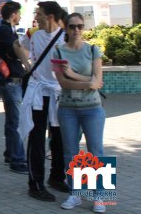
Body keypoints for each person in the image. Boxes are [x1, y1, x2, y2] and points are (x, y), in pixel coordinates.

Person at [53, 13, 106, 213]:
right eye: (72, 26)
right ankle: (75, 193)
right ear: (66, 28)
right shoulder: (58, 52)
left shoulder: (93, 50)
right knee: (70, 153)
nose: (76, 30)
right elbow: (63, 83)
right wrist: (88, 82)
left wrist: (74, 74)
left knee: (96, 152)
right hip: (67, 109)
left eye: (80, 26)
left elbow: (98, 80)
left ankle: (100, 196)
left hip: (92, 109)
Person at [18, 1, 67, 202]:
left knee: (60, 138)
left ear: (50, 16)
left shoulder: (66, 37)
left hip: (59, 93)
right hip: (38, 93)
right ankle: (35, 184)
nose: (35, 16)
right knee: (36, 139)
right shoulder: (32, 34)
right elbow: (17, 45)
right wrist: (27, 65)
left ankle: (56, 177)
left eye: (38, 13)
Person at [0, 1, 31, 174]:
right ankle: (17, 160)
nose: (21, 16)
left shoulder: (5, 30)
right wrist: (28, 66)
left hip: (10, 81)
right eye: (19, 13)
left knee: (12, 120)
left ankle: (10, 153)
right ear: (13, 14)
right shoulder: (4, 31)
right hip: (11, 81)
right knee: (16, 121)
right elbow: (18, 49)